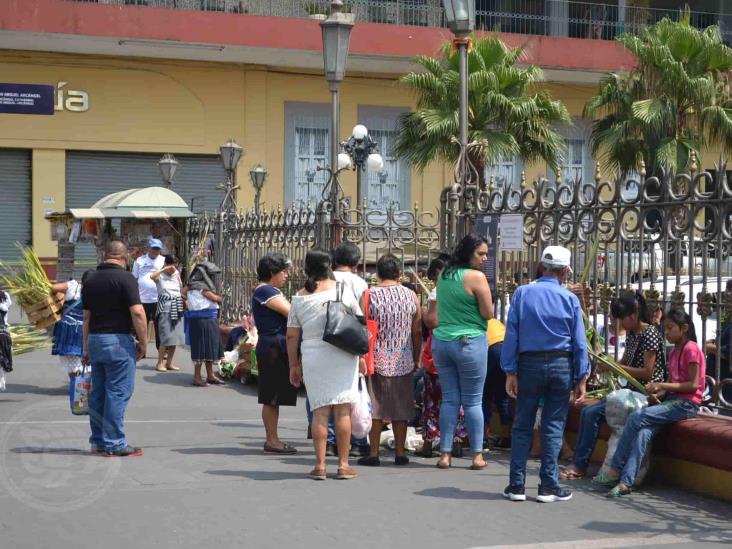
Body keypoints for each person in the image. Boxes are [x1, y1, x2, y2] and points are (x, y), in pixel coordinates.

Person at [501, 245, 589, 503]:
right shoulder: (570, 299)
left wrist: (510, 371)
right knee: (553, 425)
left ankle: (516, 485)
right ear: (564, 272)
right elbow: (579, 342)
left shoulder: (522, 293)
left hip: (529, 365)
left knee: (522, 425)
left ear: (542, 266)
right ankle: (548, 485)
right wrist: (581, 376)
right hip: (561, 366)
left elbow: (512, 333)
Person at [561, 291, 666, 481]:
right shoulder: (634, 334)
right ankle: (580, 463)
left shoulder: (649, 334)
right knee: (589, 413)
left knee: (593, 413)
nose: (619, 324)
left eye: (621, 319)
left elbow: (647, 372)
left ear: (633, 316)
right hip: (628, 392)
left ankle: (587, 465)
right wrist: (609, 364)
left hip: (645, 393)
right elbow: (625, 362)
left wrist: (617, 366)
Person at [601, 308, 705, 498]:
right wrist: (659, 391)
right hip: (672, 401)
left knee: (637, 417)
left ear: (684, 328)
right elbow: (674, 384)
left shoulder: (691, 348)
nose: (666, 333)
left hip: (686, 405)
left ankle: (615, 469)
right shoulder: (674, 352)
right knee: (643, 433)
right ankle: (626, 482)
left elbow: (693, 384)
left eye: (670, 328)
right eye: (664, 329)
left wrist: (661, 384)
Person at [287, 249, 364, 480]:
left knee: (319, 411)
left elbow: (292, 335)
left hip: (313, 355)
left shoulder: (299, 296)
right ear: (329, 265)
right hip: (342, 352)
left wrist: (293, 365)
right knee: (342, 411)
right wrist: (361, 357)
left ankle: (320, 466)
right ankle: (343, 464)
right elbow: (358, 323)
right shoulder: (342, 290)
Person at [431, 234, 493, 470]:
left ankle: (445, 454)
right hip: (469, 342)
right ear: (469, 253)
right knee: (473, 401)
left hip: (442, 342)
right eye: (481, 254)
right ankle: (477, 455)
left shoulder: (445, 275)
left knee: (449, 399)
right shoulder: (476, 277)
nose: (485, 258)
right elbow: (488, 313)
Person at [82, 240, 147, 457]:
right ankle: (115, 442)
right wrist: (144, 342)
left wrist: (85, 347)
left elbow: (86, 316)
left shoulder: (90, 279)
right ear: (124, 256)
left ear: (105, 255)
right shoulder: (126, 278)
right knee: (117, 392)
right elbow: (138, 312)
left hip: (96, 340)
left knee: (98, 393)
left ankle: (98, 441)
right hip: (118, 342)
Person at [358, 254, 421, 467]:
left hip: (375, 359)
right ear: (398, 273)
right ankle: (401, 453)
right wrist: (417, 355)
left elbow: (362, 329)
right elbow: (417, 330)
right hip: (403, 358)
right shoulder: (411, 295)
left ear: (378, 273)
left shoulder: (368, 295)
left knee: (376, 407)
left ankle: (374, 453)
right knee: (401, 407)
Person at [418, 255, 469, 458]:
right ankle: (456, 441)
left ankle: (430, 442)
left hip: (438, 352)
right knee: (458, 399)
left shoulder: (437, 292)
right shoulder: (465, 289)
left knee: (432, 399)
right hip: (462, 349)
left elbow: (431, 321)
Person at [252, 252, 298, 454]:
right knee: (271, 397)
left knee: (275, 397)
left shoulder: (269, 290)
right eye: (283, 271)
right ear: (272, 272)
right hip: (272, 346)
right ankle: (272, 440)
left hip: (274, 345)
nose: (286, 275)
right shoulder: (266, 291)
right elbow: (291, 313)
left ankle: (273, 438)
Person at [328, 241, 370, 457]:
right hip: (350, 341)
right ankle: (355, 440)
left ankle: (329, 439)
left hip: (327, 339)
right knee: (351, 392)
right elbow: (363, 316)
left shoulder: (326, 279)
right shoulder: (360, 282)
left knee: (327, 392)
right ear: (356, 262)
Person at [184, 261, 225, 386]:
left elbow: (182, 293)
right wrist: (221, 294)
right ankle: (197, 377)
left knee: (208, 348)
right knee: (202, 348)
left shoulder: (190, 285)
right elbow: (217, 298)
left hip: (204, 320)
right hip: (204, 320)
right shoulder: (202, 288)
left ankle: (210, 375)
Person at [51, 272, 91, 380]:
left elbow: (52, 288)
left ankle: (76, 383)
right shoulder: (96, 290)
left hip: (67, 328)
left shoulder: (73, 285)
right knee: (82, 358)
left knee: (71, 359)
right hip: (84, 329)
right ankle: (81, 384)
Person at [150, 255, 185, 373]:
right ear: (167, 265)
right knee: (165, 337)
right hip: (165, 307)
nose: (173, 269)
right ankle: (159, 363)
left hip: (177, 305)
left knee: (174, 338)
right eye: (172, 267)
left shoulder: (176, 274)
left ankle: (169, 363)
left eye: (175, 266)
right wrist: (164, 269)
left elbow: (180, 289)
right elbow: (152, 276)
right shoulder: (160, 275)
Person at [483, 317, 512, 449]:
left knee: (486, 395)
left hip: (491, 350)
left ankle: (484, 438)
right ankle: (506, 437)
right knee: (502, 396)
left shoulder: (478, 320)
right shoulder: (496, 322)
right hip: (506, 350)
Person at [132, 238, 165, 352]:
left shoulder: (163, 261)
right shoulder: (139, 261)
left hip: (159, 298)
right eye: (154, 248)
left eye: (158, 249)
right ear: (149, 248)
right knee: (141, 326)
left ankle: (161, 351)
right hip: (142, 299)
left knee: (159, 326)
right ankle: (140, 350)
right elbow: (134, 278)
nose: (155, 251)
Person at [0, 290, 11, 391]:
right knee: (3, 358)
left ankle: (2, 380)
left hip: (2, 334)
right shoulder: (4, 304)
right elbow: (9, 303)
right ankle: (2, 380)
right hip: (3, 333)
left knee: (2, 358)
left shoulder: (3, 306)